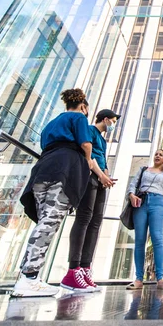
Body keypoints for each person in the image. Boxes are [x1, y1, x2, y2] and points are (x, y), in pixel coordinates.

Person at [13, 89, 93, 297]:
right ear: (83, 106)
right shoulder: (79, 118)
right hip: (64, 172)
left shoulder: (51, 123)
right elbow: (85, 143)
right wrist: (87, 161)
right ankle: (29, 277)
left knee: (44, 222)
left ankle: (28, 276)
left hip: (42, 171)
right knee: (50, 223)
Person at [61, 109, 119, 292]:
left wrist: (107, 178)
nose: (113, 125)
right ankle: (74, 269)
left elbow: (103, 160)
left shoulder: (102, 139)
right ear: (105, 119)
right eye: (113, 121)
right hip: (90, 177)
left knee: (96, 222)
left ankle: (85, 268)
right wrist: (101, 176)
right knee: (84, 218)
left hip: (101, 180)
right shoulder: (89, 130)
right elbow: (90, 156)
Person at [126, 149, 163, 290]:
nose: (157, 156)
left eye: (161, 155)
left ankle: (160, 279)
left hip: (158, 203)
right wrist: (132, 195)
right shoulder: (143, 169)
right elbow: (132, 184)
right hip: (141, 202)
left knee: (157, 238)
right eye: (156, 154)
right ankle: (139, 279)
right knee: (140, 239)